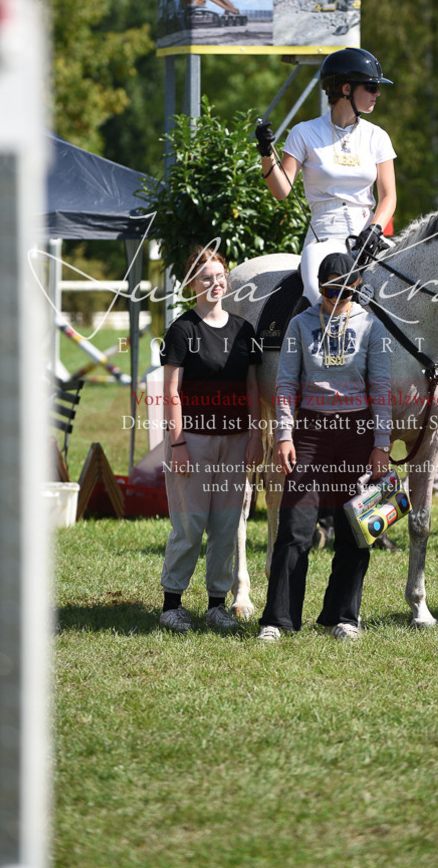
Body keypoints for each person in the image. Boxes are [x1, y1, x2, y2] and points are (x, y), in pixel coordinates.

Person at [257, 252, 393, 643]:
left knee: (357, 529)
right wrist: (284, 434)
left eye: (348, 290)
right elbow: (285, 384)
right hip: (310, 431)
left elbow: (381, 389)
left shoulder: (372, 326)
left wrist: (381, 444)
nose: (339, 298)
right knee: (295, 528)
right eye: (332, 289)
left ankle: (344, 617)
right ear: (320, 286)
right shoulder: (300, 324)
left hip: (358, 431)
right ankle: (277, 619)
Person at [158, 244, 264, 632]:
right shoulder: (182, 330)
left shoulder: (244, 331)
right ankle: (172, 603)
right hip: (195, 440)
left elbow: (252, 390)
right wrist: (178, 443)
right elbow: (171, 393)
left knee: (225, 523)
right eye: (207, 278)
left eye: (220, 276)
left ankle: (217, 604)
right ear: (192, 285)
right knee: (190, 523)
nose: (216, 283)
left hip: (236, 441)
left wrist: (255, 437)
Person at [255, 47, 397, 303]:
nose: (377, 94)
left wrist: (375, 230)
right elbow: (281, 191)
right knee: (315, 294)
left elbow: (388, 196)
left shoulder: (378, 136)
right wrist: (266, 154)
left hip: (369, 238)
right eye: (371, 87)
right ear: (345, 89)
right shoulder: (304, 133)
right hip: (324, 236)